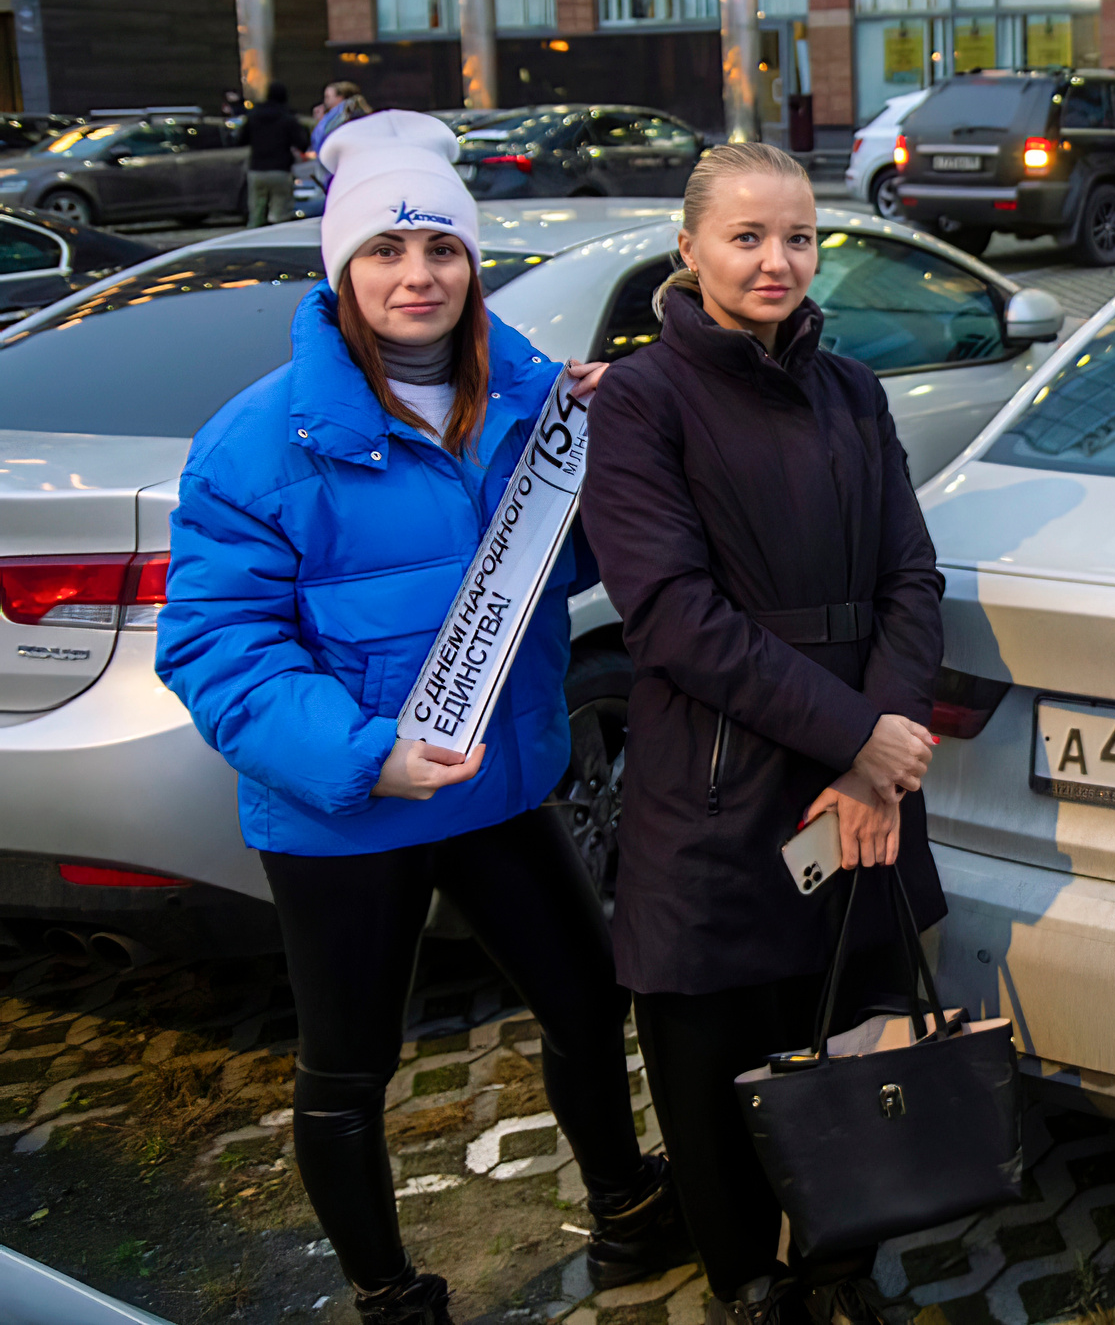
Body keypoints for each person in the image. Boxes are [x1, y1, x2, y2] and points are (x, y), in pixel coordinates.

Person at [157, 111, 692, 1325]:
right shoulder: (256, 442)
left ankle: (625, 1211)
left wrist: (615, 450)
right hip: (340, 814)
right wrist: (363, 757)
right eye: (387, 252)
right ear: (342, 270)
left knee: (587, 998)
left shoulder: (534, 401)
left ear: (473, 264)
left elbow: (572, 569)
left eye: (441, 250)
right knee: (349, 1072)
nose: (417, 277)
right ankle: (389, 1295)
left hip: (497, 786)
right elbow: (215, 647)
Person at [581, 143, 946, 1325]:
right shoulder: (641, 402)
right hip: (720, 792)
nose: (776, 260)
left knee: (850, 1036)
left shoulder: (853, 390)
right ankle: (745, 1280)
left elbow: (910, 577)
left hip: (864, 779)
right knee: (712, 1064)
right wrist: (857, 739)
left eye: (797, 236)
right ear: (687, 252)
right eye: (746, 237)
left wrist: (875, 757)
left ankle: (838, 1268)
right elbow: (672, 617)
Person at [241, 85, 307, 227]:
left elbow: (241, 139)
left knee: (256, 210)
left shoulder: (253, 115)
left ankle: (254, 238)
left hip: (257, 169)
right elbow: (302, 142)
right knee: (281, 211)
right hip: (280, 169)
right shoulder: (287, 117)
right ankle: (277, 235)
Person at [310, 80, 371, 188]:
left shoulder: (338, 118)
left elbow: (322, 141)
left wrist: (320, 122)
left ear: (340, 97)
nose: (325, 101)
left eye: (328, 97)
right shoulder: (354, 112)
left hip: (340, 170)